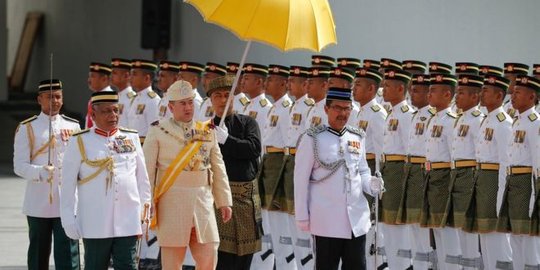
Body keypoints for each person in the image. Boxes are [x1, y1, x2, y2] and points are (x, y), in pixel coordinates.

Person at [143, 80, 233, 270]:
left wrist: (224, 200)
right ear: (170, 106)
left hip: (203, 203)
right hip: (172, 203)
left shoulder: (206, 130)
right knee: (172, 262)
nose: (188, 108)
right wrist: (147, 202)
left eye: (190, 102)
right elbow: (147, 172)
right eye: (182, 103)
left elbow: (218, 167)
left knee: (209, 256)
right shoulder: (158, 130)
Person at [294, 87, 384, 270]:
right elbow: (300, 180)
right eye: (337, 108)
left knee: (357, 266)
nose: (342, 113)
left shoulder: (357, 136)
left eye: (346, 108)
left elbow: (363, 171)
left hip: (355, 219)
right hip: (326, 220)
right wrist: (302, 216)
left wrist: (372, 184)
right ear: (326, 109)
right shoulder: (313, 139)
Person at [60, 91, 151, 270]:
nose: (113, 115)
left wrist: (145, 210)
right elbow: (68, 184)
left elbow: (142, 179)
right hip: (95, 221)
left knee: (128, 266)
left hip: (128, 219)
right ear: (93, 115)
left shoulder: (131, 137)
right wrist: (68, 219)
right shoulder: (80, 141)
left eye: (116, 110)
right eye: (106, 111)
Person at [13, 79, 81, 270]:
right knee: (38, 254)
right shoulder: (28, 128)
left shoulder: (74, 126)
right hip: (39, 201)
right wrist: (40, 172)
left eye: (58, 97)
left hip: (66, 201)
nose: (55, 101)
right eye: (49, 97)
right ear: (39, 99)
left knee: (69, 252)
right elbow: (19, 166)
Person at [205, 75, 263, 270]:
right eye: (217, 96)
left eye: (227, 95)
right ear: (210, 100)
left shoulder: (248, 123)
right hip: (219, 199)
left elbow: (253, 149)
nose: (223, 100)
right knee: (222, 256)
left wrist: (228, 140)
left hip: (245, 198)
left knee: (244, 258)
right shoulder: (205, 128)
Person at [463, 74, 513, 269]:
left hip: (495, 185)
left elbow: (505, 162)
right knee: (486, 239)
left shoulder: (503, 123)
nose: (481, 94)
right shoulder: (487, 120)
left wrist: (502, 197)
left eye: (486, 91)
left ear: (499, 95)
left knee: (499, 241)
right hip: (483, 183)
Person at [497, 75, 540, 269]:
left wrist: (535, 197)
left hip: (528, 185)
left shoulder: (535, 123)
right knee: (515, 236)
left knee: (529, 239)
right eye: (513, 92)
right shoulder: (517, 121)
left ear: (532, 97)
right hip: (514, 183)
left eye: (518, 93)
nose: (513, 96)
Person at [420, 73, 462, 270]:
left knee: (448, 232)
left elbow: (455, 157)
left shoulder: (451, 121)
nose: (429, 94)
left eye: (433, 91)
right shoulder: (433, 119)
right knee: (437, 230)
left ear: (447, 94)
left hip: (445, 179)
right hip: (432, 177)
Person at [396, 74, 435, 270]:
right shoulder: (413, 115)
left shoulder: (433, 116)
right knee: (412, 225)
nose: (412, 93)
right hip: (410, 172)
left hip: (423, 173)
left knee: (422, 228)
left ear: (430, 94)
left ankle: (426, 266)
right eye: (412, 88)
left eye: (417, 90)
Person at [259, 64, 296, 269]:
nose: (267, 82)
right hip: (269, 165)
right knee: (270, 224)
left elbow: (286, 146)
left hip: (281, 169)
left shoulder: (286, 109)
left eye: (272, 79)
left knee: (282, 227)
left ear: (283, 83)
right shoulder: (275, 107)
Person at [350, 67, 388, 269]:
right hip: (356, 168)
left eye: (358, 85)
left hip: (372, 169)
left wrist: (379, 180)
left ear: (371, 88)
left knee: (372, 223)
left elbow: (382, 150)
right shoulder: (357, 113)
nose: (353, 88)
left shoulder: (377, 113)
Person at [379, 68, 415, 269]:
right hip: (387, 171)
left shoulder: (406, 114)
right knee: (388, 227)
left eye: (388, 86)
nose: (383, 89)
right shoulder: (391, 112)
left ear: (401, 88)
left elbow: (409, 151)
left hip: (399, 173)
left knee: (399, 230)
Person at [282, 65, 316, 270]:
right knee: (288, 218)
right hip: (288, 162)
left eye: (293, 81)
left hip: (302, 161)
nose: (289, 84)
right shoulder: (296, 106)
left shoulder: (309, 107)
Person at [127, 59, 161, 145]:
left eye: (134, 74)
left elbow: (156, 132)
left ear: (147, 78)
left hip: (145, 148)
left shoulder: (153, 100)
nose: (130, 78)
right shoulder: (135, 98)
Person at [240, 63, 272, 131]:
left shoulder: (266, 108)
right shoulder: (248, 104)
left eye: (246, 78)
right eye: (242, 78)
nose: (242, 82)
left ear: (258, 82)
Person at [85, 62, 114, 128]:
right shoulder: (94, 97)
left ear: (104, 79)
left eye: (92, 76)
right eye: (89, 76)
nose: (89, 80)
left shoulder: (111, 98)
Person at [110, 58, 137, 128]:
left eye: (114, 73)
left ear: (126, 76)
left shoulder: (132, 99)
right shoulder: (115, 97)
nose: (111, 75)